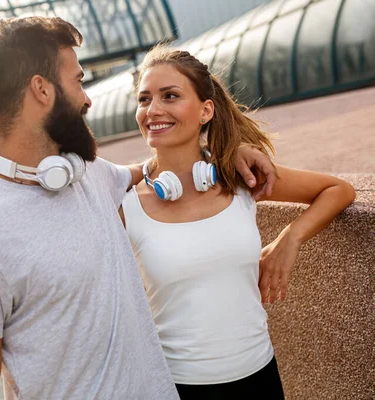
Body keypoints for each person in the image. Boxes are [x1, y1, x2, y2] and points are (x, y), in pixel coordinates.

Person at [0, 17, 277, 400]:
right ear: (41, 90)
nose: (88, 98)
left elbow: (150, 171)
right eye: (77, 81)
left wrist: (228, 153)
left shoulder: (87, 174)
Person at [120, 44, 356, 400]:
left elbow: (338, 190)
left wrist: (289, 238)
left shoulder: (240, 175)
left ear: (206, 110)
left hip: (260, 374)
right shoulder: (126, 202)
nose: (153, 110)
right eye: (144, 99)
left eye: (170, 96)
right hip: (175, 385)